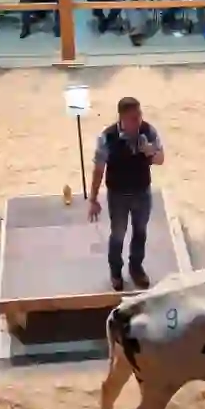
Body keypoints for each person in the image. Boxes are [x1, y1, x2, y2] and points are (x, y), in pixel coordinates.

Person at [88, 96, 164, 291]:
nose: (138, 120)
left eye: (139, 115)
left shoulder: (148, 131)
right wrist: (93, 199)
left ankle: (136, 268)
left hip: (142, 192)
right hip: (118, 195)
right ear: (121, 117)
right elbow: (98, 169)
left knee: (140, 232)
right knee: (118, 235)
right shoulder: (108, 137)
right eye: (133, 117)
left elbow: (161, 159)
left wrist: (150, 152)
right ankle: (116, 272)